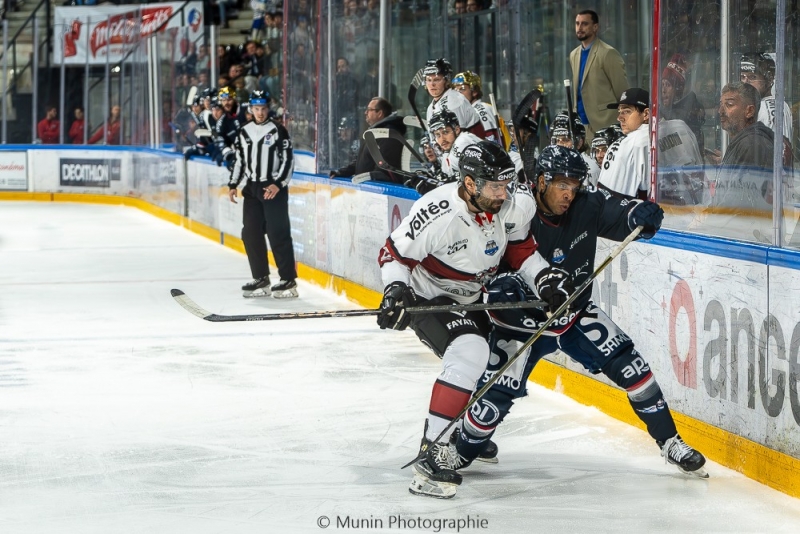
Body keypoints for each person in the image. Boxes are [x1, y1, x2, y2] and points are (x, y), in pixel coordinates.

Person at [446, 145, 707, 500]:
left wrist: (641, 215)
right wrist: (503, 287)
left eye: (574, 184)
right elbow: (482, 259)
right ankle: (459, 447)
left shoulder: (587, 203)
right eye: (560, 184)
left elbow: (624, 213)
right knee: (492, 405)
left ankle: (671, 442)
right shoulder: (512, 210)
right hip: (520, 324)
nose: (569, 192)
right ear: (540, 182)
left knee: (634, 369)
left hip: (574, 313)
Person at [376, 140, 550, 499]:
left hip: (474, 296)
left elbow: (521, 250)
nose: (503, 193)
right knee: (470, 351)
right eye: (494, 186)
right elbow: (392, 254)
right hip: (431, 297)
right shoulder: (437, 212)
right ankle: (432, 451)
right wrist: (395, 290)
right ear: (469, 183)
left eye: (506, 184)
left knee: (499, 358)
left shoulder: (512, 205)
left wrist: (545, 278)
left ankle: (463, 436)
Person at [228, 90, 299, 299]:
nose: (260, 113)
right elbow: (239, 160)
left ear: (268, 109)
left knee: (278, 233)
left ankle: (287, 280)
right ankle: (261, 277)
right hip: (252, 188)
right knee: (250, 233)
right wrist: (233, 184)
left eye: (263, 109)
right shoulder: (244, 131)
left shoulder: (278, 130)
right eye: (256, 109)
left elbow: (288, 160)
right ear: (251, 109)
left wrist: (278, 184)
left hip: (272, 189)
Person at [569, 9, 629, 140]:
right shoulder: (574, 55)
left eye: (584, 24)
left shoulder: (608, 53)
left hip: (604, 125)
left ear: (595, 27)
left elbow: (622, 93)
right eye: (577, 23)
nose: (579, 27)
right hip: (580, 126)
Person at [329, 97, 407, 184]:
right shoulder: (374, 134)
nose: (365, 112)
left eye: (369, 110)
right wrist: (341, 172)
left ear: (380, 113)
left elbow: (385, 172)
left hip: (377, 194)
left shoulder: (389, 136)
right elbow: (362, 161)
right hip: (367, 191)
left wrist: (366, 178)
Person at [598, 88, 651, 199]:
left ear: (646, 114)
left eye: (626, 111)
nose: (619, 118)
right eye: (620, 112)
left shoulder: (637, 141)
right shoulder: (678, 127)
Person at [422, 58, 485, 140]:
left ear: (447, 81)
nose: (432, 84)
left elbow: (456, 139)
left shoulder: (454, 101)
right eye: (429, 80)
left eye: (437, 80)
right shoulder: (431, 107)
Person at [740, 52, 793, 144]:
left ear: (769, 78)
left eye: (752, 77)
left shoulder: (763, 108)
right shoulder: (781, 104)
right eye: (742, 77)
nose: (746, 82)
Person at [660, 53, 705, 155]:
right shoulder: (665, 112)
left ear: (678, 89)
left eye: (668, 85)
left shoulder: (685, 115)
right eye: (662, 84)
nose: (663, 90)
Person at [451, 70, 502, 145]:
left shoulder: (482, 108)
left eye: (462, 89)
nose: (457, 93)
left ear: (474, 92)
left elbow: (492, 140)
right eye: (455, 90)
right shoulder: (465, 111)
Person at [549, 110, 600, 185]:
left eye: (566, 140)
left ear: (579, 143)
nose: (559, 145)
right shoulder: (548, 165)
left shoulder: (591, 170)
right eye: (556, 140)